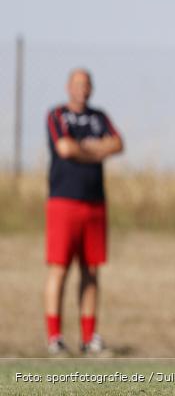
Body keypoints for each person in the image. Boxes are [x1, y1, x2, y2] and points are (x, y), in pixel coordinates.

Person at [45, 69, 124, 356]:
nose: (82, 89)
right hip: (63, 202)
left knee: (91, 271)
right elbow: (64, 148)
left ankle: (89, 337)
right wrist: (94, 150)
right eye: (78, 83)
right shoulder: (57, 115)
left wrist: (90, 148)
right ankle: (55, 336)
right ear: (68, 86)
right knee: (59, 268)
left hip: (95, 204)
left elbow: (117, 143)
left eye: (87, 83)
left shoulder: (99, 117)